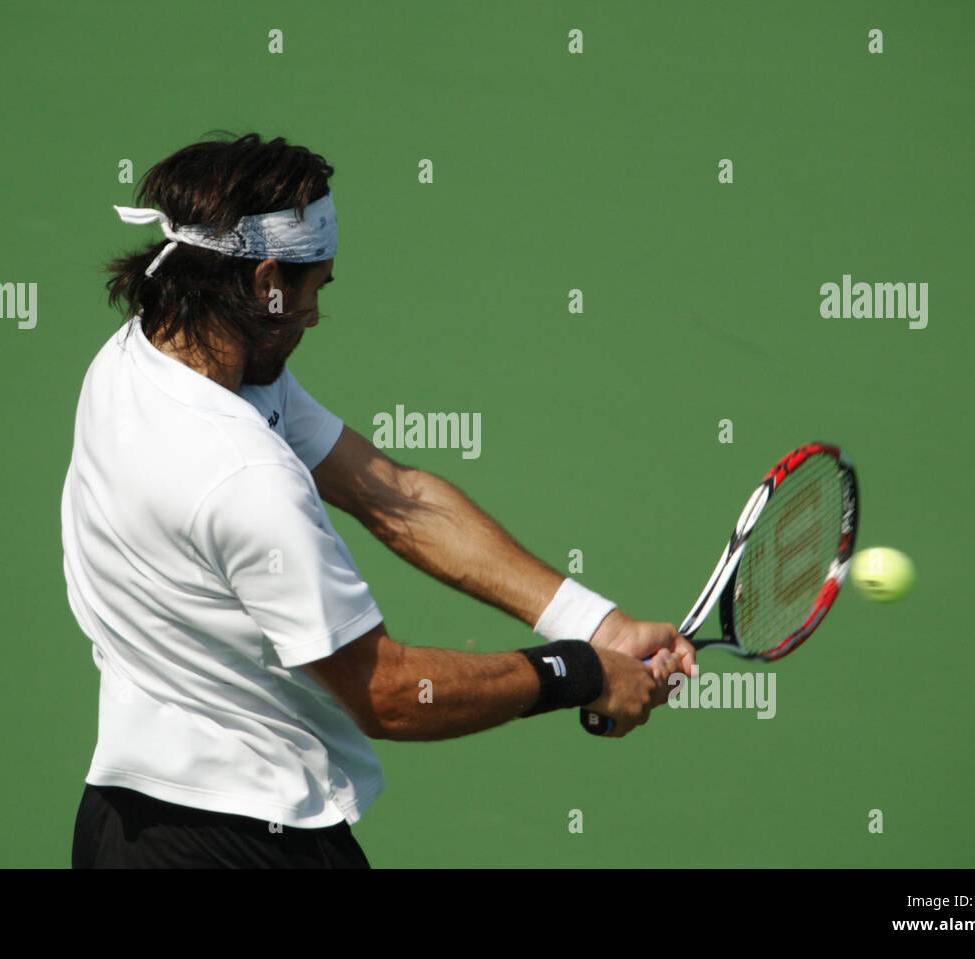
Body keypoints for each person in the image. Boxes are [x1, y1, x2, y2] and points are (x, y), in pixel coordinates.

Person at [63, 132, 695, 868]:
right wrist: (578, 672)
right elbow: (391, 692)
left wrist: (596, 623)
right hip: (243, 847)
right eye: (313, 288)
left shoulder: (145, 355)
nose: (315, 316)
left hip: (117, 828)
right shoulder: (244, 478)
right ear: (265, 279)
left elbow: (391, 493)